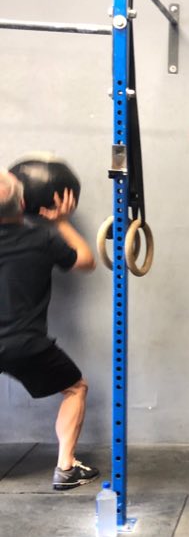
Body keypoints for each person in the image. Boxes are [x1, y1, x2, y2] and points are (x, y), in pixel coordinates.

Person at [0, 171, 98, 490]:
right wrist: (62, 222)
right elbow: (86, 261)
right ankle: (66, 468)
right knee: (75, 388)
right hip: (23, 345)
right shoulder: (41, 240)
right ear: (24, 204)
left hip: (20, 342)